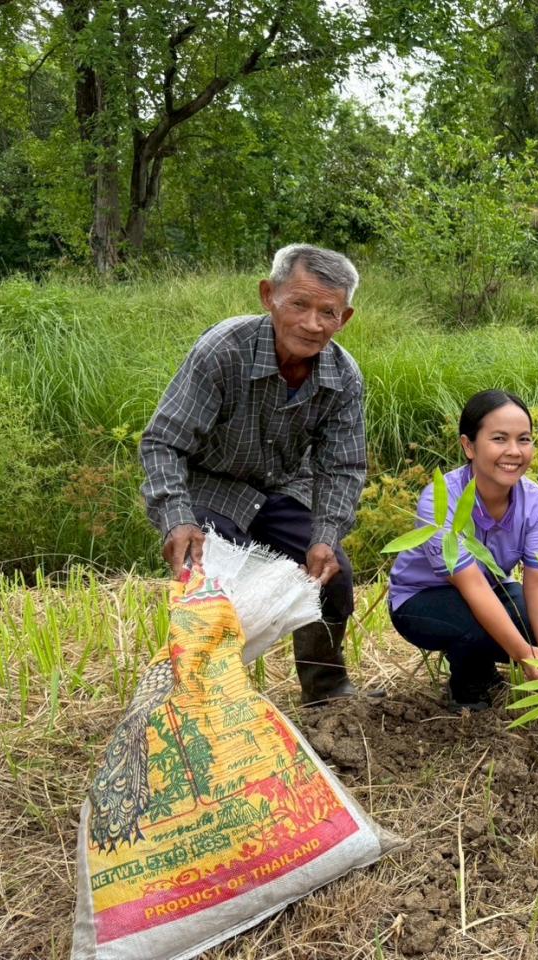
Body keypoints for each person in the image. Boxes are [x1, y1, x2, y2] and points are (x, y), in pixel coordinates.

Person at [140, 243, 377, 707]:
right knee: (213, 583)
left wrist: (326, 535)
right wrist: (176, 518)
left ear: (344, 318)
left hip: (280, 491)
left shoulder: (344, 376)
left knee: (334, 573)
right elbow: (162, 442)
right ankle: (200, 698)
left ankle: (326, 693)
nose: (312, 324)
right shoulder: (224, 351)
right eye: (299, 304)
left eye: (327, 312)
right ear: (269, 295)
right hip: (210, 485)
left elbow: (342, 467)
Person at [388, 389, 538, 711]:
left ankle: (507, 670)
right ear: (468, 446)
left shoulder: (537, 502)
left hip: (492, 585)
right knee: (477, 630)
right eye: (500, 439)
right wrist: (523, 654)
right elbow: (471, 585)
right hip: (421, 597)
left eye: (524, 439)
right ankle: (469, 686)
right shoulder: (440, 499)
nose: (514, 451)